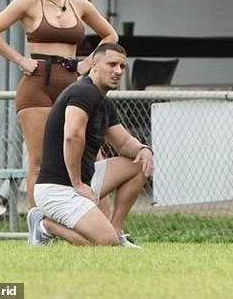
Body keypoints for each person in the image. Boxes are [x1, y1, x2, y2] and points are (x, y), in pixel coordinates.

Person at [0, 0, 118, 207]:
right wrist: (20, 60)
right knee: (40, 160)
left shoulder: (80, 5)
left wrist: (88, 64)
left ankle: (108, 227)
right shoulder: (28, 3)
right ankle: (40, 226)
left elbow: (110, 35)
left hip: (73, 84)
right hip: (37, 86)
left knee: (94, 158)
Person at [27, 43, 154, 247]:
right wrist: (77, 184)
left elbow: (123, 143)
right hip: (58, 189)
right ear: (94, 63)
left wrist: (143, 149)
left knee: (140, 163)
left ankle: (116, 231)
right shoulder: (83, 93)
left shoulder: (103, 101)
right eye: (112, 64)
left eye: (122, 66)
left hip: (84, 182)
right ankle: (44, 225)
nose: (118, 71)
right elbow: (72, 136)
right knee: (104, 244)